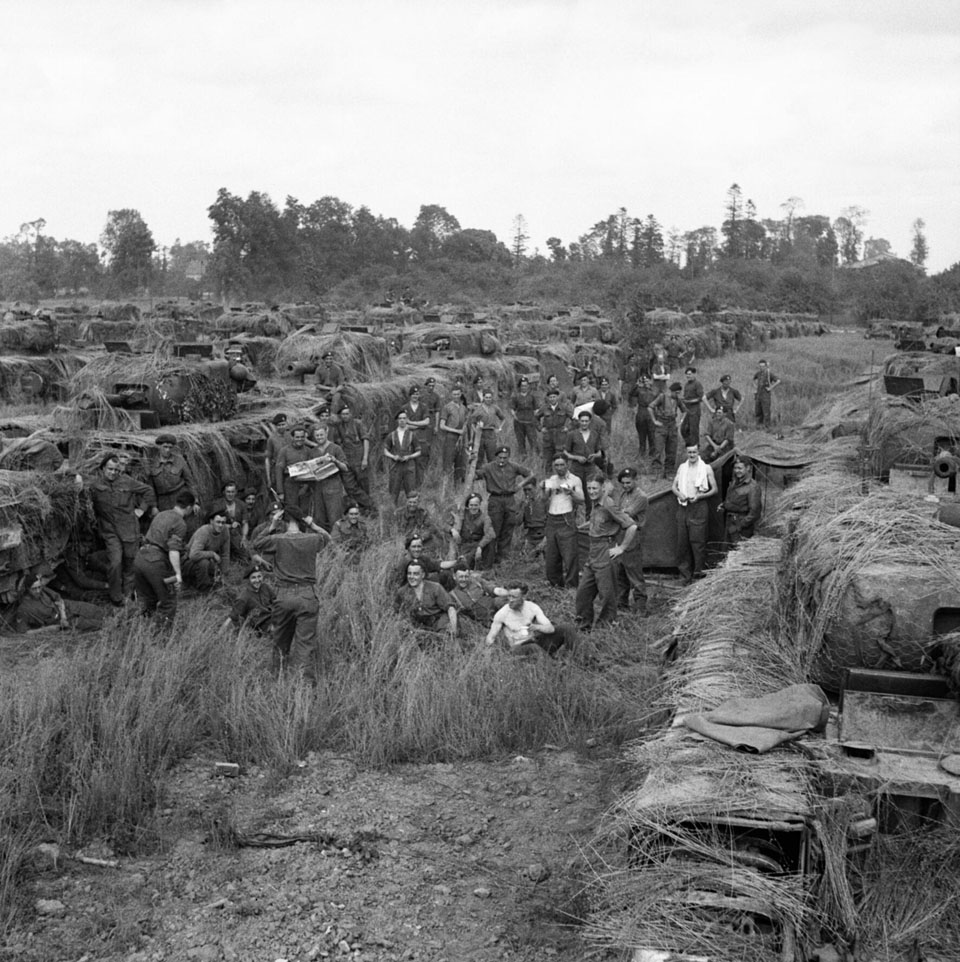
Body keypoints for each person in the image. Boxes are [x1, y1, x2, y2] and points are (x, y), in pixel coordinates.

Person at [252, 506, 331, 683]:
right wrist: (313, 524)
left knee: (280, 641)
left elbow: (256, 544)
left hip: (283, 595)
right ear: (302, 521)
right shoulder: (311, 538)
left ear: (284, 521)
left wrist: (272, 525)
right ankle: (305, 688)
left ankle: (277, 680)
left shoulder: (278, 539)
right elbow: (327, 538)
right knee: (305, 645)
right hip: (307, 595)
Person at [87, 452, 156, 606]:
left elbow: (148, 491)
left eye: (116, 470)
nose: (113, 473)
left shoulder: (127, 482)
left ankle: (128, 595)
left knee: (130, 563)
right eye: (110, 469)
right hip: (110, 531)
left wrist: (141, 510)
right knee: (115, 563)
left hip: (129, 529)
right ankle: (116, 597)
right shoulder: (95, 485)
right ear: (103, 468)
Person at [575, 477, 637, 630]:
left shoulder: (608, 504)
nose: (591, 492)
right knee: (583, 593)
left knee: (607, 594)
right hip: (593, 552)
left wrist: (621, 548)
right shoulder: (595, 504)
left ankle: (606, 627)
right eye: (589, 488)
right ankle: (584, 626)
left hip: (605, 550)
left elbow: (632, 526)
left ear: (603, 488)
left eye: (595, 488)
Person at [133, 490, 196, 626]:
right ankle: (162, 639)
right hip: (155, 562)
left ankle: (139, 630)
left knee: (148, 600)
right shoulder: (180, 523)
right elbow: (173, 550)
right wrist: (178, 575)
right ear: (189, 507)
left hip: (139, 558)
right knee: (168, 602)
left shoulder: (161, 514)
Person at [484, 581, 576, 656]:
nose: (510, 600)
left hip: (534, 641)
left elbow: (551, 629)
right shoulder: (502, 614)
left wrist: (536, 627)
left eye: (514, 597)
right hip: (518, 647)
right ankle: (556, 669)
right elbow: (490, 638)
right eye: (509, 596)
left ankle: (577, 658)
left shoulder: (532, 607)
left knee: (566, 628)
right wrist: (489, 654)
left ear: (523, 597)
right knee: (532, 647)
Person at [478, 446, 535, 563]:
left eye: (505, 458)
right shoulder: (488, 467)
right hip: (495, 500)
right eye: (500, 457)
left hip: (510, 500)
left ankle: (502, 559)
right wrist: (471, 462)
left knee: (508, 529)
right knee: (494, 530)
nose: (502, 460)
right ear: (496, 457)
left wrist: (520, 485)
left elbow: (530, 474)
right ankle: (489, 560)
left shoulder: (513, 466)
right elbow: (475, 475)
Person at [672, 443, 718, 585]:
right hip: (683, 508)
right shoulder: (682, 468)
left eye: (694, 452)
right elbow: (673, 486)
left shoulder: (706, 468)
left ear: (699, 453)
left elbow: (714, 489)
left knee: (698, 543)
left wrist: (700, 497)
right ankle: (684, 576)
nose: (692, 455)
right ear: (687, 453)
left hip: (698, 507)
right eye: (689, 452)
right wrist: (680, 494)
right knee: (682, 543)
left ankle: (698, 575)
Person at [16, 567, 103, 633]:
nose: (38, 590)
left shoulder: (43, 590)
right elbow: (24, 632)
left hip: (65, 607)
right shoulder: (24, 608)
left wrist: (63, 615)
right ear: (27, 589)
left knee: (97, 611)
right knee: (97, 624)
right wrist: (46, 629)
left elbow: (58, 598)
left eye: (39, 587)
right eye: (34, 589)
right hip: (58, 622)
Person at [542, 454, 584, 588]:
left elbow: (582, 500)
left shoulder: (575, 479)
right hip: (552, 519)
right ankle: (555, 585)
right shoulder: (552, 479)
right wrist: (546, 490)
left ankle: (572, 586)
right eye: (556, 465)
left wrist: (570, 492)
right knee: (552, 556)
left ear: (567, 465)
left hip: (566, 518)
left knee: (570, 555)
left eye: (562, 465)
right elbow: (543, 500)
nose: (559, 468)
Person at [394, 560, 458, 638]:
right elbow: (397, 613)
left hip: (437, 622)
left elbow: (450, 607)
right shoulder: (402, 592)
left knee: (444, 637)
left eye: (416, 574)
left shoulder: (435, 588)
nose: (412, 577)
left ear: (423, 575)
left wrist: (453, 627)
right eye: (409, 574)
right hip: (418, 625)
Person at [614, 467, 648, 614]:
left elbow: (625, 514)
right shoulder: (623, 495)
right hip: (621, 535)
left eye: (628, 482)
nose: (626, 485)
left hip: (633, 536)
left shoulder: (641, 496)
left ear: (635, 480)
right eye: (623, 483)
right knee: (621, 573)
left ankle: (641, 607)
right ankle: (621, 604)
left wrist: (613, 513)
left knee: (634, 575)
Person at [330, 403, 375, 513]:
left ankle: (366, 510)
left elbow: (365, 440)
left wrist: (365, 458)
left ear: (350, 414)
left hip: (359, 458)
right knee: (349, 486)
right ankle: (370, 504)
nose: (345, 416)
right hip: (346, 460)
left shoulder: (357, 424)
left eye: (347, 413)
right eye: (343, 414)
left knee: (363, 484)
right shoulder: (339, 426)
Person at [563, 411, 604, 517]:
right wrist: (576, 457)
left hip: (590, 468)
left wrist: (594, 456)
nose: (584, 423)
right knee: (574, 492)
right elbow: (565, 452)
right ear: (579, 421)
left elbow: (599, 452)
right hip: (576, 468)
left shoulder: (594, 434)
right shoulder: (572, 434)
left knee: (590, 493)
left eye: (586, 421)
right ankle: (572, 517)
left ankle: (589, 518)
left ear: (589, 422)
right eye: (582, 421)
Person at [308, 424, 347, 530]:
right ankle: (324, 542)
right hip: (318, 487)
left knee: (335, 516)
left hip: (333, 486)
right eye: (317, 435)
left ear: (326, 433)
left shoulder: (335, 448)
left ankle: (338, 542)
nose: (319, 437)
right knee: (320, 517)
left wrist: (335, 461)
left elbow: (345, 468)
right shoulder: (312, 452)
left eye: (321, 434)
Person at [183, 507, 231, 591]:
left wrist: (224, 574)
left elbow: (225, 554)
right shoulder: (204, 532)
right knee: (204, 562)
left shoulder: (225, 531)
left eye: (223, 522)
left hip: (207, 562)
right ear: (211, 521)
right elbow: (193, 555)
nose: (220, 525)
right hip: (188, 563)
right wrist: (212, 554)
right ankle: (204, 589)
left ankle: (213, 582)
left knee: (212, 567)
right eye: (218, 522)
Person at [222, 565, 276, 635]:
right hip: (260, 625)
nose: (257, 580)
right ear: (248, 580)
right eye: (253, 578)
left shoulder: (265, 587)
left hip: (272, 617)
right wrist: (220, 634)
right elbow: (232, 617)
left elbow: (275, 602)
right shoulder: (244, 596)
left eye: (259, 576)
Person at [719, 458, 762, 545]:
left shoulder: (752, 487)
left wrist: (739, 525)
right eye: (735, 468)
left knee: (738, 553)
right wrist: (724, 505)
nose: (737, 471)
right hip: (729, 523)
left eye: (740, 468)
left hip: (742, 528)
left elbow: (755, 513)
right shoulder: (734, 483)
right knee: (727, 552)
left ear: (748, 468)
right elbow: (733, 500)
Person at [146, 435, 194, 512]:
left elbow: (190, 482)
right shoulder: (152, 464)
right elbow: (151, 488)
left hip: (180, 498)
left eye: (170, 447)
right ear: (159, 446)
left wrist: (195, 501)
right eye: (165, 447)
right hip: (162, 501)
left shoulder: (179, 460)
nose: (167, 450)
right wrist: (153, 506)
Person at [275, 424, 315, 515]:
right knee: (291, 511)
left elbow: (312, 470)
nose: (299, 439)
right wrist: (280, 491)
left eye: (302, 437)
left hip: (305, 485)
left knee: (304, 512)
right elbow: (279, 470)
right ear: (292, 437)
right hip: (290, 485)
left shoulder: (308, 451)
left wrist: (306, 487)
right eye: (297, 437)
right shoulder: (284, 451)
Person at [383, 410, 421, 504]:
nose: (402, 420)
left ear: (407, 420)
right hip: (395, 465)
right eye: (400, 418)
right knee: (393, 490)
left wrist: (409, 456)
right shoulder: (391, 435)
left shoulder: (412, 434)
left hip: (409, 465)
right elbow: (385, 450)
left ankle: (411, 510)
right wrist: (393, 456)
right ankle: (393, 512)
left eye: (404, 418)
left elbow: (419, 451)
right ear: (397, 420)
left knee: (411, 490)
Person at [450, 493, 496, 569]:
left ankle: (486, 569)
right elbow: (443, 524)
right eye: (471, 505)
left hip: (477, 545)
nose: (473, 507)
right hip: (465, 546)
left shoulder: (484, 517)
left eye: (476, 505)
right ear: (468, 506)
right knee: (462, 565)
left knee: (491, 542)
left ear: (479, 505)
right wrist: (452, 530)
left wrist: (480, 546)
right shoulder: (462, 515)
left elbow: (490, 534)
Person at [649, 382, 683, 479]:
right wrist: (654, 421)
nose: (677, 394)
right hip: (662, 424)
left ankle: (669, 471)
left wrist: (680, 421)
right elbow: (650, 407)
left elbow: (684, 411)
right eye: (676, 392)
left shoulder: (678, 400)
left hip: (672, 425)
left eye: (679, 393)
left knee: (672, 450)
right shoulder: (662, 397)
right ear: (671, 391)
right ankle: (655, 471)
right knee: (658, 449)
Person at [537, 387, 573, 476]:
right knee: (547, 460)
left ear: (557, 397)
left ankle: (563, 477)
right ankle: (549, 479)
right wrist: (540, 428)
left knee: (561, 459)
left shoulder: (564, 407)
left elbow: (575, 419)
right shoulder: (544, 408)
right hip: (548, 437)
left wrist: (568, 427)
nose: (552, 399)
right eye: (550, 397)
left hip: (560, 437)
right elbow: (535, 418)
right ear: (548, 398)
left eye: (554, 397)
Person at [402, 385, 433, 481]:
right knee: (408, 462)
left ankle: (419, 486)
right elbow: (404, 425)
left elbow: (427, 422)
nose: (415, 396)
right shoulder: (405, 407)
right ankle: (409, 485)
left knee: (420, 462)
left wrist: (411, 423)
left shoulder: (423, 407)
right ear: (410, 395)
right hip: (408, 438)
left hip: (421, 438)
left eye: (417, 394)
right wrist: (419, 424)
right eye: (413, 394)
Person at [439, 385, 468, 484]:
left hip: (461, 439)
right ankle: (444, 489)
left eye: (458, 394)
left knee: (460, 464)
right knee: (448, 463)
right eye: (454, 394)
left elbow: (465, 422)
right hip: (450, 438)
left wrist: (463, 433)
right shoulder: (447, 407)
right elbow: (442, 426)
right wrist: (456, 431)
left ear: (461, 394)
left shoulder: (464, 408)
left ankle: (457, 489)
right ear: (451, 395)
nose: (456, 396)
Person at [473, 390, 507, 467]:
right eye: (486, 397)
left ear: (492, 398)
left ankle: (491, 474)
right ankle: (478, 474)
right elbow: (472, 421)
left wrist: (499, 428)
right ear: (484, 398)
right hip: (481, 434)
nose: (488, 399)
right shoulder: (479, 409)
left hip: (491, 434)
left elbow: (503, 418)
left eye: (490, 397)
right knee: (479, 457)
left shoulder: (495, 408)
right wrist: (475, 430)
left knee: (491, 456)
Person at [217, 480, 249, 561]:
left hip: (236, 534)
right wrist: (230, 526)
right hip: (221, 533)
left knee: (246, 555)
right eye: (228, 492)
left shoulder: (241, 505)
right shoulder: (218, 505)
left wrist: (244, 537)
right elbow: (213, 524)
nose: (230, 494)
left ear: (236, 492)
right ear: (224, 492)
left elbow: (245, 523)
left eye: (232, 492)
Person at [510, 376, 540, 456]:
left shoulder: (532, 396)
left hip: (530, 422)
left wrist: (535, 417)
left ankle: (535, 457)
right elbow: (512, 408)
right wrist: (514, 415)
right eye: (522, 385)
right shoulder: (516, 396)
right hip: (519, 422)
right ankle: (523, 456)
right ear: (520, 387)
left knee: (533, 440)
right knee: (521, 441)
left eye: (526, 385)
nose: (524, 387)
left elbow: (536, 408)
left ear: (528, 386)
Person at [630, 375, 657, 463]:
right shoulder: (639, 390)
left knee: (652, 436)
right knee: (642, 436)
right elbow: (631, 394)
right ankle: (642, 455)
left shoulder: (655, 390)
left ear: (651, 381)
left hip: (651, 414)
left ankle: (652, 456)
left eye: (648, 381)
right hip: (641, 414)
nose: (646, 383)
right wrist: (636, 385)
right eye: (644, 381)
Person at [519, 477, 546, 554]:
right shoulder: (523, 503)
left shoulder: (544, 501)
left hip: (543, 533)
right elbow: (517, 522)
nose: (527, 492)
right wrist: (523, 508)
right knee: (526, 557)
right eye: (525, 490)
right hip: (530, 534)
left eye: (529, 489)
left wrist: (545, 539)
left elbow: (551, 522)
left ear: (535, 488)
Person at [680, 366, 705, 446]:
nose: (688, 376)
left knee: (694, 430)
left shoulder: (697, 384)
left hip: (695, 410)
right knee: (683, 429)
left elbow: (701, 398)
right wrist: (682, 399)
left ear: (694, 374)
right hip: (687, 410)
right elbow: (685, 396)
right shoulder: (686, 385)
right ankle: (689, 443)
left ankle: (695, 447)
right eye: (687, 374)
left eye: (690, 374)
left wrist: (690, 401)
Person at [264, 413, 289, 491]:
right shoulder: (272, 439)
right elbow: (267, 459)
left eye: (283, 424)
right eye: (279, 425)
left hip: (290, 470)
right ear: (275, 426)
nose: (281, 427)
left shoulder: (291, 436)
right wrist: (268, 478)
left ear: (286, 424)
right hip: (277, 471)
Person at [752, 359, 781, 428]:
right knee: (758, 411)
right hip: (758, 395)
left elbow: (778, 381)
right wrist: (755, 387)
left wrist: (770, 388)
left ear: (765, 366)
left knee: (766, 412)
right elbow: (753, 379)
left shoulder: (769, 374)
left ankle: (767, 427)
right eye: (760, 366)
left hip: (766, 395)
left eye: (762, 366)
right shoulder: (758, 373)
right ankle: (759, 426)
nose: (761, 368)